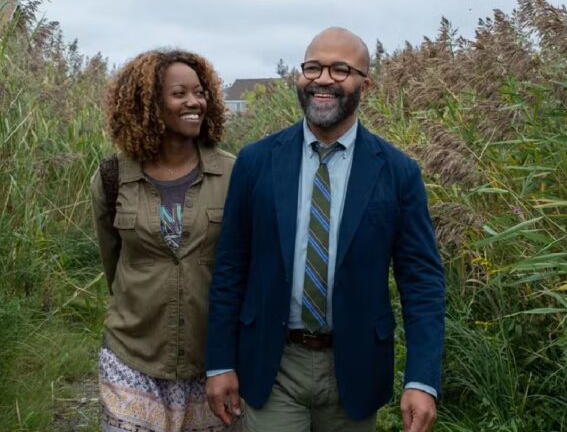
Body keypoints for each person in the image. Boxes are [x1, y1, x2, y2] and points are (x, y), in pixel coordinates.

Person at [204, 27, 446, 432]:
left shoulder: (397, 172)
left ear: (364, 84)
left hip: (354, 364)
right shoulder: (256, 161)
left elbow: (421, 281)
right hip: (273, 361)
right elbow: (230, 267)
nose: (323, 79)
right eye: (313, 67)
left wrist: (422, 379)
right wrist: (220, 361)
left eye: (340, 70)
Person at [91, 49, 241, 431]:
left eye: (200, 92)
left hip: (210, 359)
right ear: (149, 104)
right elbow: (114, 262)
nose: (194, 102)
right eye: (179, 94)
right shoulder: (113, 177)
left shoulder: (233, 174)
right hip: (132, 352)